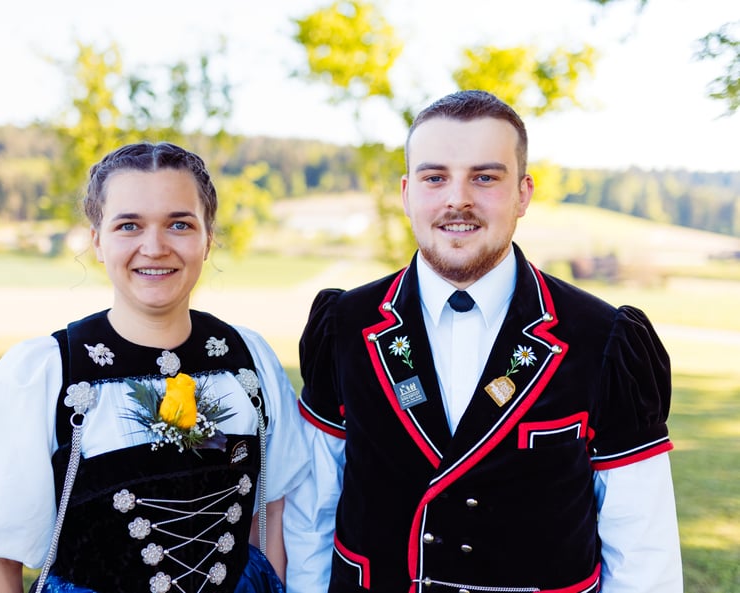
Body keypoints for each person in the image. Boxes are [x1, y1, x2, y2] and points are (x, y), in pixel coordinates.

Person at [285, 90, 682, 593]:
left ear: (523, 194)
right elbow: (312, 514)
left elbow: (642, 545)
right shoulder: (345, 325)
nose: (458, 199)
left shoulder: (604, 339)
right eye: (435, 178)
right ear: (407, 193)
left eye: (485, 177)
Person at [0, 141, 309, 593]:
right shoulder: (45, 374)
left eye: (180, 224)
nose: (154, 247)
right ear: (97, 240)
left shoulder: (248, 359)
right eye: (129, 225)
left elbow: (271, 515)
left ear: (208, 238)